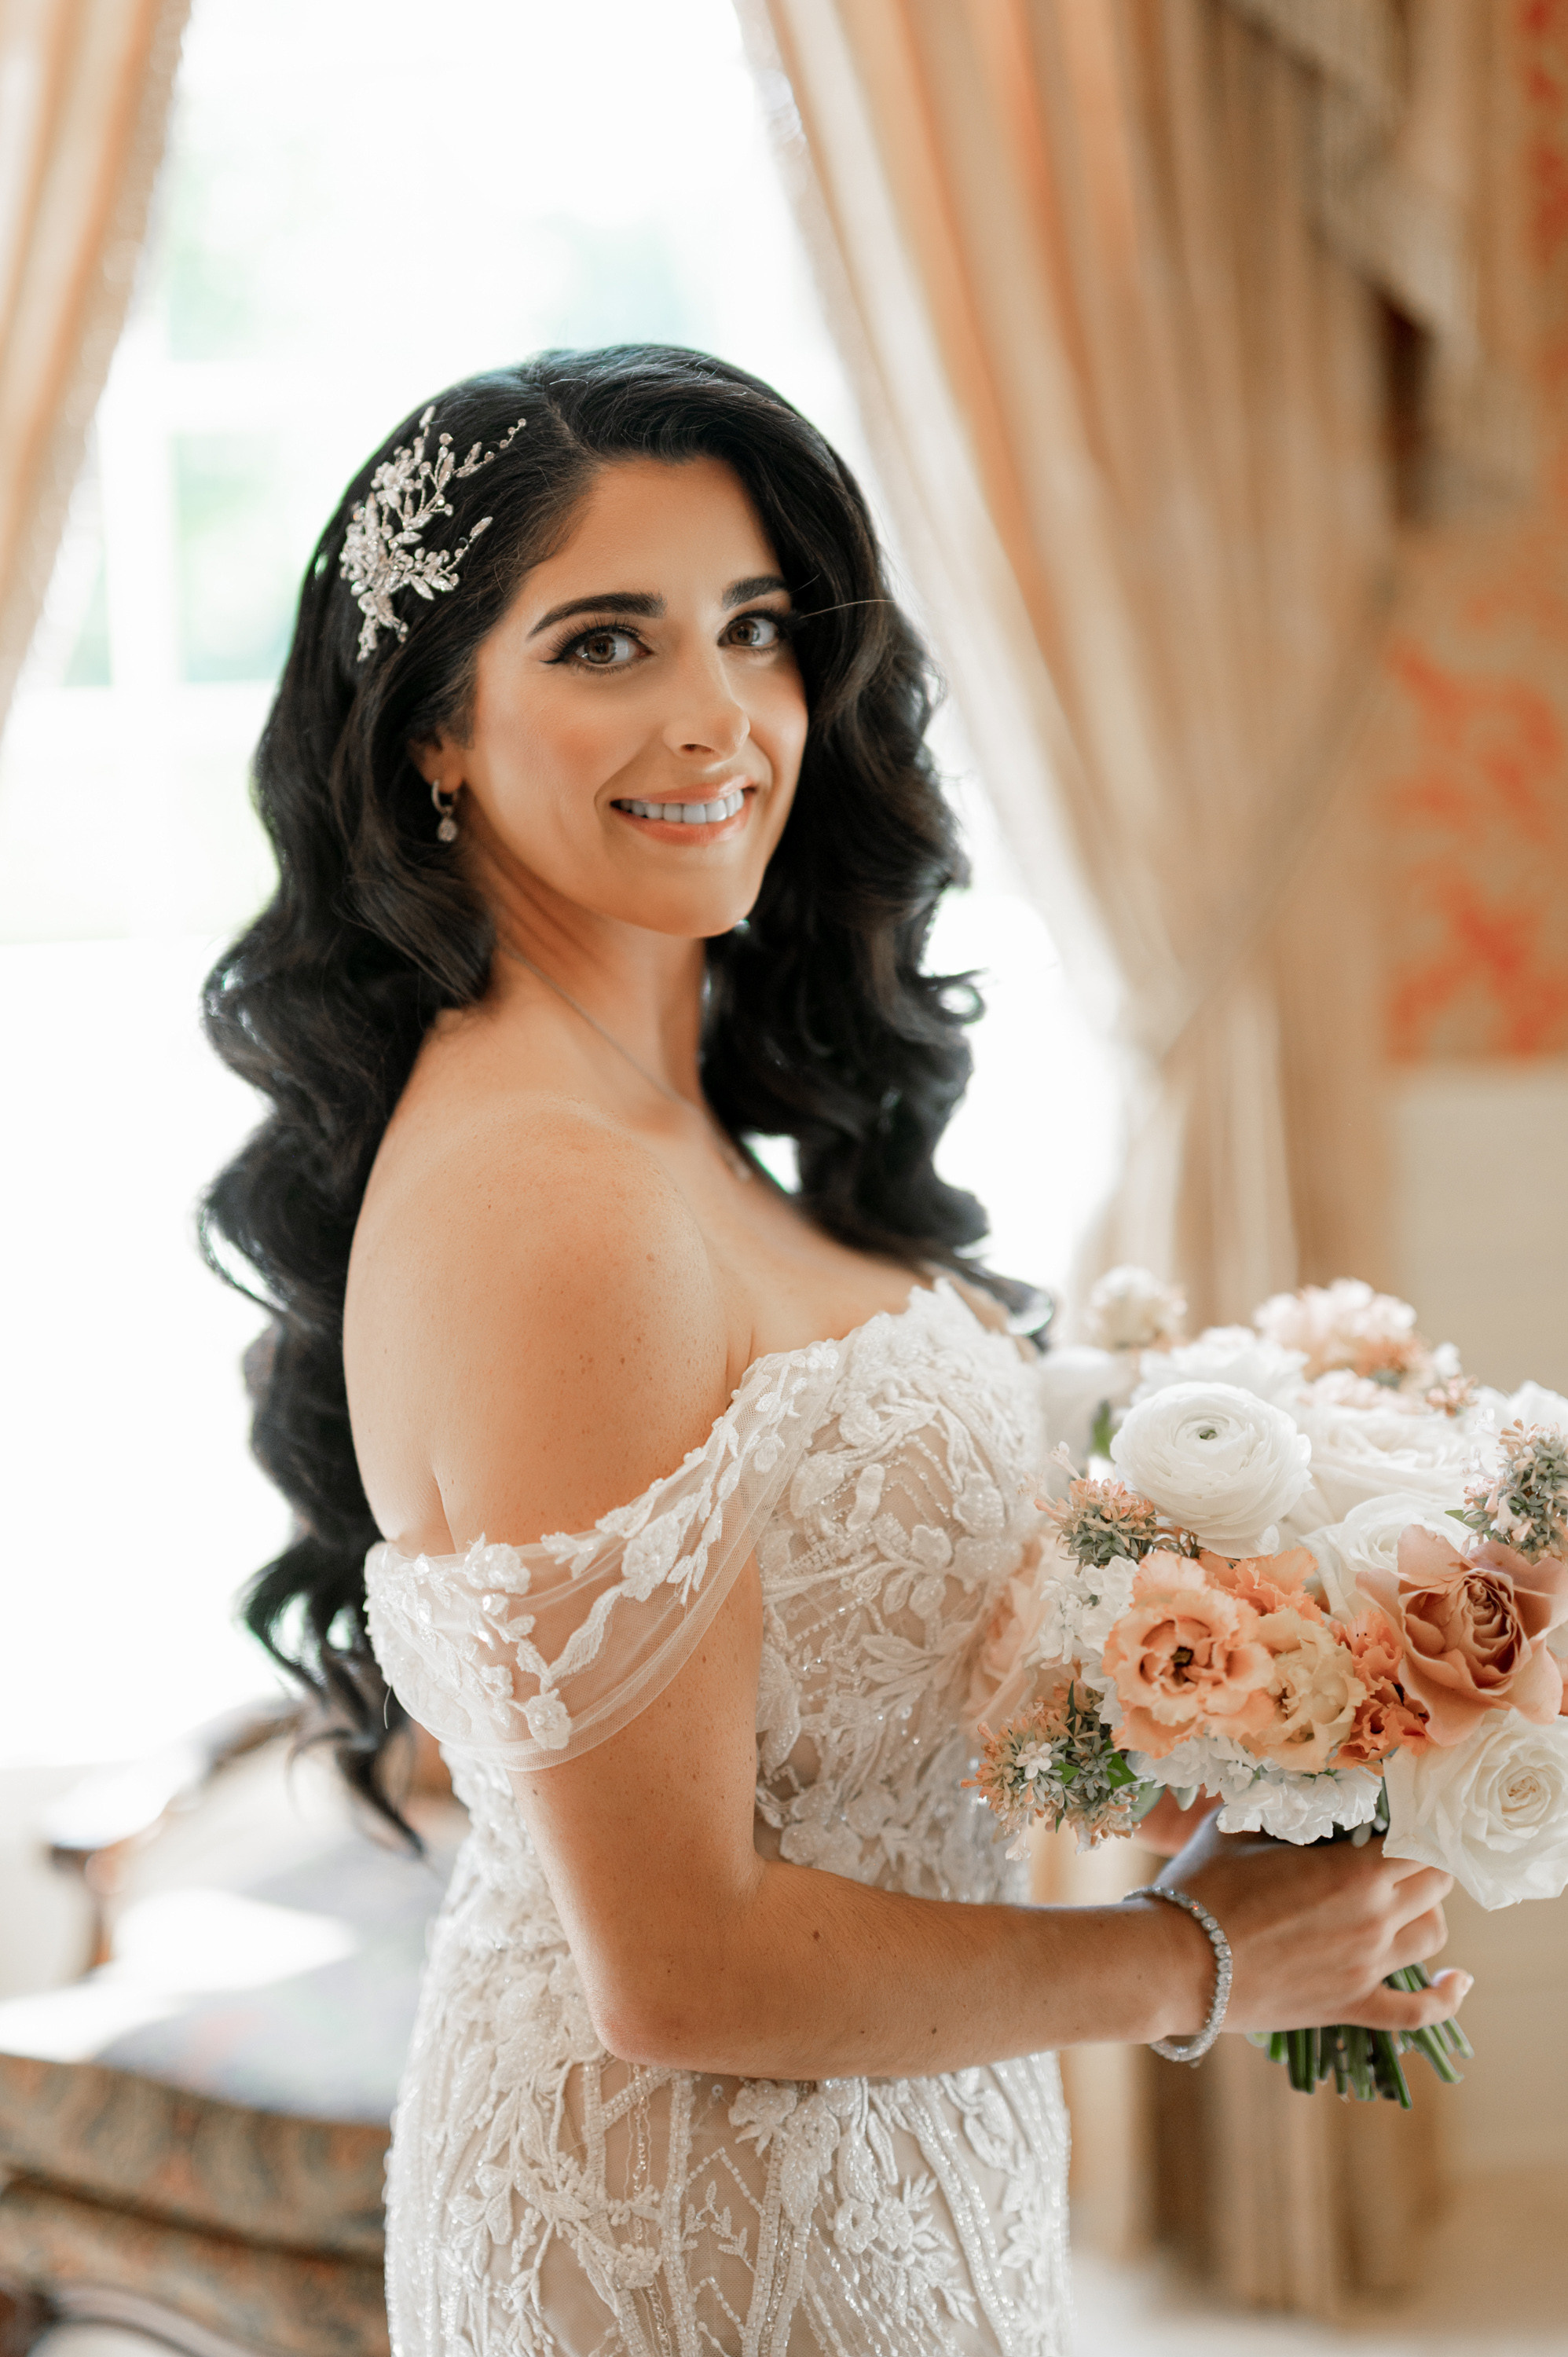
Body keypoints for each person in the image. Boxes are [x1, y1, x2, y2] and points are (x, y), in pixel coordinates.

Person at [203, 347, 1468, 2357]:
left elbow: (808, 1704)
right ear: (431, 729)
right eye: (605, 641)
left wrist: (1204, 1700)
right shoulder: (557, 1206)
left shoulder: (670, 1124)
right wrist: (1199, 1960)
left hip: (884, 2158)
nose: (715, 717)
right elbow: (684, 1964)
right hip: (696, 2229)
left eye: (757, 630)